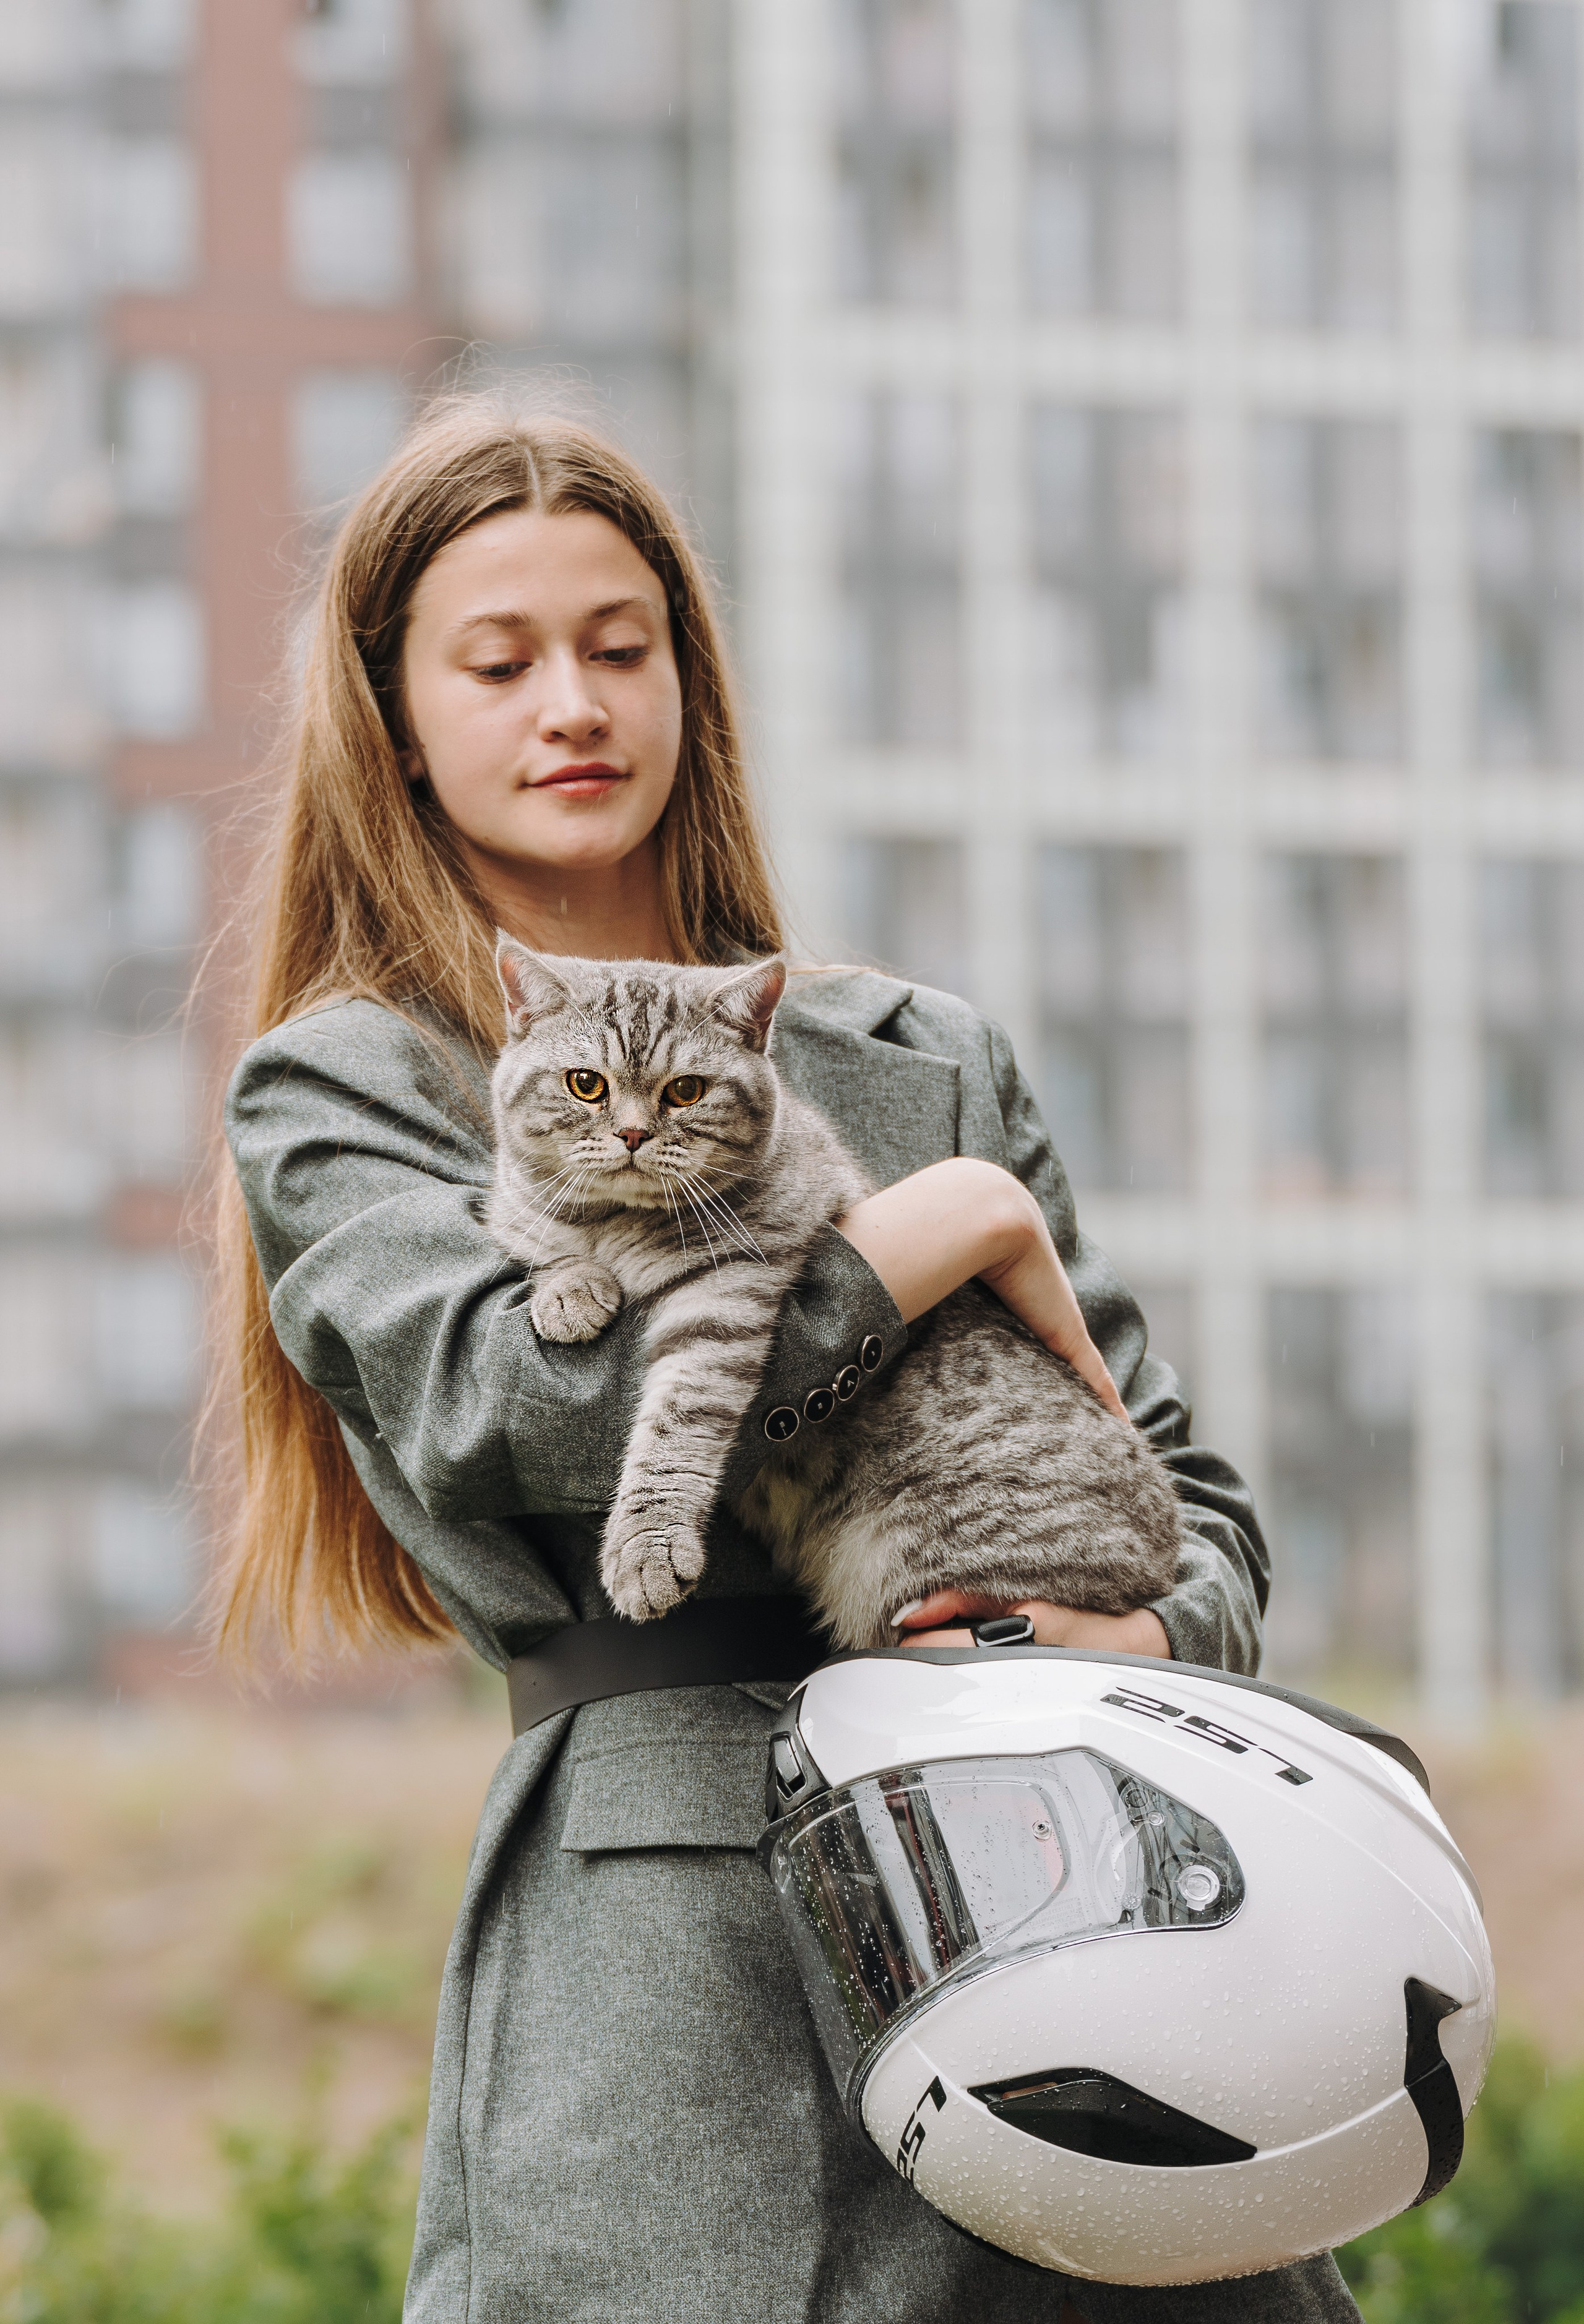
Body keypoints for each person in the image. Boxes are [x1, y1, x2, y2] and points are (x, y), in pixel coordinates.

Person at [218, 398, 1361, 2323]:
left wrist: (1135, 1638)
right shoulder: (351, 1083)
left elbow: (1188, 1500)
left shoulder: (921, 1055)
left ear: (690, 680)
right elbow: (522, 1408)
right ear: (395, 718)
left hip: (1070, 1903)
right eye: (499, 663)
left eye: (621, 646)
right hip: (680, 1990)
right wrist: (927, 1234)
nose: (573, 703)